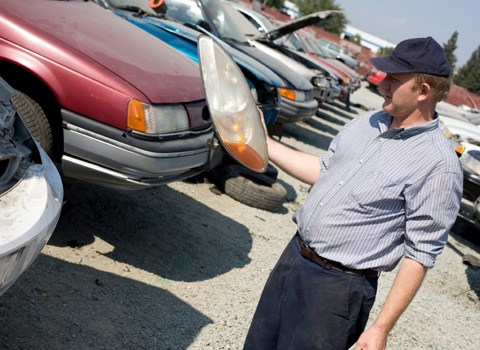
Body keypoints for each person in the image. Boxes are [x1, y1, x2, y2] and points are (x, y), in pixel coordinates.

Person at [244, 37, 463, 350]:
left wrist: (380, 328)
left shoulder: (438, 165)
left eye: (394, 79)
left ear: (423, 92)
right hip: (294, 259)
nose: (382, 84)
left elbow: (420, 253)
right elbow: (325, 170)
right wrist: (267, 146)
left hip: (338, 291)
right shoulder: (369, 121)